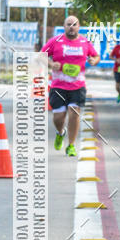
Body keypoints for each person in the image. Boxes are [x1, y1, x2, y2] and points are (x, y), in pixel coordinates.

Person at [41, 15, 100, 156]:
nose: (71, 27)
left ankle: (71, 145)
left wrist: (94, 60)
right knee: (58, 117)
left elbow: (96, 56)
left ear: (78, 26)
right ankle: (60, 133)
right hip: (58, 86)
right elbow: (40, 55)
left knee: (74, 114)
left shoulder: (84, 42)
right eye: (68, 24)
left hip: (77, 86)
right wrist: (51, 64)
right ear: (64, 26)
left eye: (74, 24)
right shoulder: (56, 41)